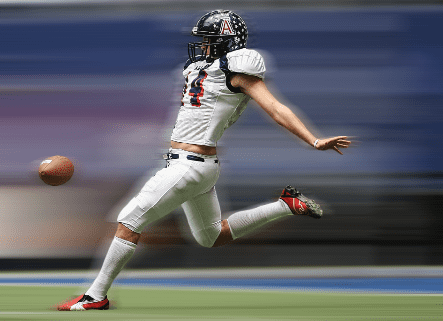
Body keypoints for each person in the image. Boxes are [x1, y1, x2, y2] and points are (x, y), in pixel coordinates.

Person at [56, 9, 351, 311]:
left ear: (228, 42)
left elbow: (276, 108)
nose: (203, 45)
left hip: (191, 165)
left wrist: (313, 139)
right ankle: (286, 205)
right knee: (213, 236)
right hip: (193, 167)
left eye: (210, 40)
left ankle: (95, 295)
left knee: (129, 220)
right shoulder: (198, 68)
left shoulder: (238, 70)